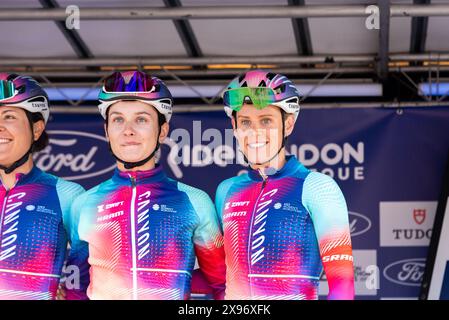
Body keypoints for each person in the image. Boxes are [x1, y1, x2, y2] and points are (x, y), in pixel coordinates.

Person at [71, 70, 226, 300]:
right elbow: (76, 289)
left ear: (162, 131)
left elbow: (222, 285)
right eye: (118, 119)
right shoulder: (83, 204)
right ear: (106, 131)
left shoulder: (195, 201)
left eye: (141, 119)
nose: (128, 130)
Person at [214, 69, 355, 300]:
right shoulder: (226, 191)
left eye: (266, 120)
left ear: (288, 124)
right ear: (235, 126)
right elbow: (218, 278)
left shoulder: (317, 187)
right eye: (246, 122)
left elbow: (343, 287)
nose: (255, 131)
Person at [0, 73, 89, 300]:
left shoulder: (67, 194)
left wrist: (69, 295)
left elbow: (87, 273)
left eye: (8, 116)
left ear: (36, 129)